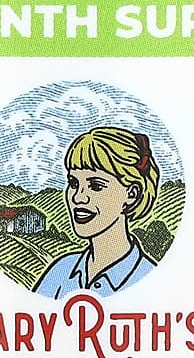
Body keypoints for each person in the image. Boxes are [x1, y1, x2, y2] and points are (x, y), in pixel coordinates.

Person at [33, 126, 160, 299]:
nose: (78, 197)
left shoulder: (150, 278)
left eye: (95, 186)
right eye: (74, 183)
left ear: (131, 194)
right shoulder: (60, 271)